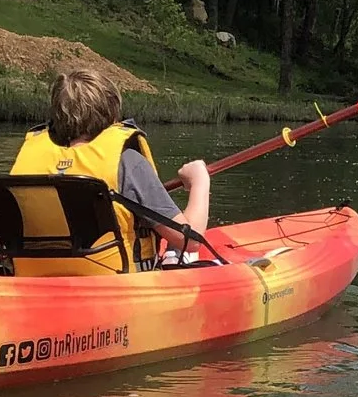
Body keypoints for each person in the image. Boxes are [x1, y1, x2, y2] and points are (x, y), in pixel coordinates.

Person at [11, 68, 210, 267]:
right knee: (180, 248)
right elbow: (191, 240)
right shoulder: (127, 162)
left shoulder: (29, 161)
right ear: (112, 110)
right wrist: (199, 181)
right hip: (115, 283)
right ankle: (174, 258)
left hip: (34, 280)